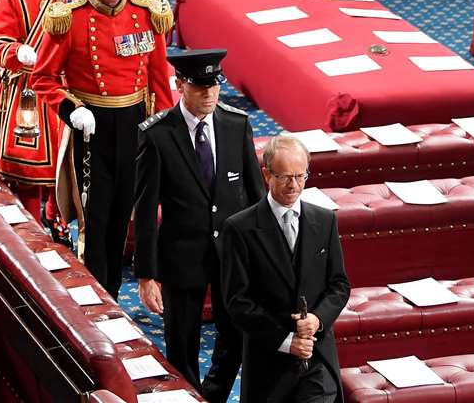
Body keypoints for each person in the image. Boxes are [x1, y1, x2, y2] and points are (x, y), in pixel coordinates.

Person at [33, 0, 176, 295]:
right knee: (95, 223)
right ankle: (101, 299)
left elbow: (159, 81)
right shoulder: (71, 19)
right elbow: (42, 79)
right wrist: (70, 110)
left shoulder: (147, 15)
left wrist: (167, 130)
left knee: (125, 218)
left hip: (135, 127)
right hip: (91, 129)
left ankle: (114, 292)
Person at [135, 49, 264, 401]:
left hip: (232, 257)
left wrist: (263, 254)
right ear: (179, 85)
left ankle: (213, 395)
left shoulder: (236, 125)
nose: (209, 93)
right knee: (182, 343)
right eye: (200, 86)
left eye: (214, 86)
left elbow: (256, 196)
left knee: (235, 335)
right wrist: (146, 276)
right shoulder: (158, 135)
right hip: (181, 258)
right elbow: (145, 211)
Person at [220, 134, 350, 403]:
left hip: (317, 359)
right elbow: (237, 302)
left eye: (301, 176)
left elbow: (339, 285)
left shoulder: (325, 221)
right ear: (267, 175)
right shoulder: (239, 228)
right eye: (285, 177)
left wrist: (317, 319)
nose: (294, 185)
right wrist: (286, 341)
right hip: (269, 365)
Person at [0, 0, 84, 226]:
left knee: (68, 165)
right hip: (26, 92)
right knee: (26, 170)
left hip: (67, 90)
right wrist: (18, 52)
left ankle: (58, 220)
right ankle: (30, 224)